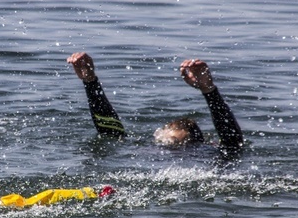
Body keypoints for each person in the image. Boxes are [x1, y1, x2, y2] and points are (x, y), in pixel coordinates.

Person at [67, 52, 244, 156]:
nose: (168, 149)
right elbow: (110, 131)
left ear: (197, 146)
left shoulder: (205, 153)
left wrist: (209, 90)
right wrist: (90, 82)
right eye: (165, 143)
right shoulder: (146, 151)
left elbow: (232, 142)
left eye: (177, 145)